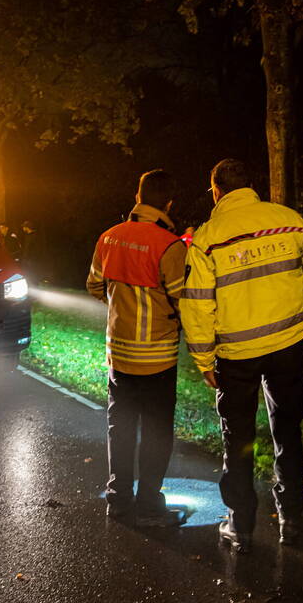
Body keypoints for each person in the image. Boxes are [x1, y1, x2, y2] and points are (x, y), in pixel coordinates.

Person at [180, 159, 303, 551]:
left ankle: (241, 525)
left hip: (237, 354)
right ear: (250, 185)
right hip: (288, 344)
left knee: (239, 438)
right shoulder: (288, 219)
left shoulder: (207, 238)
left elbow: (197, 305)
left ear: (216, 190)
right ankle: (291, 518)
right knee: (288, 429)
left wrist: (203, 359)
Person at [87, 169, 188, 527]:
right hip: (157, 356)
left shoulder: (109, 238)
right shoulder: (169, 245)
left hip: (119, 353)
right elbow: (181, 300)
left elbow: (95, 286)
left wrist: (121, 308)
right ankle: (148, 505)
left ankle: (117, 499)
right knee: (157, 430)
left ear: (138, 196)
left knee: (121, 426)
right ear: (169, 203)